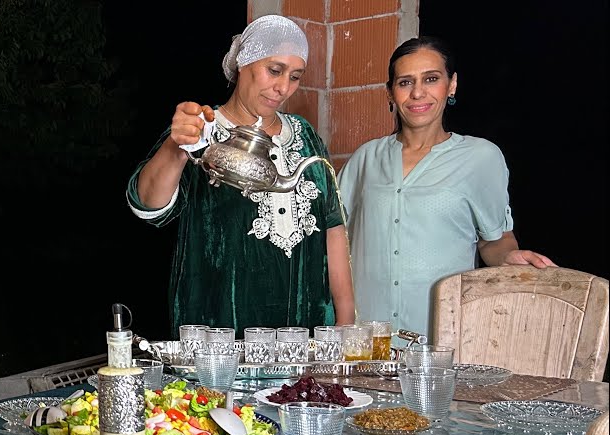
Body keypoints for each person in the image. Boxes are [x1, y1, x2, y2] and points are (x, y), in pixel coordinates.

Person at [126, 14, 355, 335]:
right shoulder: (201, 131)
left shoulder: (306, 136)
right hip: (219, 336)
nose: (283, 87)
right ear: (240, 64)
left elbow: (334, 230)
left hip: (306, 337)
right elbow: (148, 206)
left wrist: (345, 329)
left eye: (295, 76)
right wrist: (175, 147)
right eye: (274, 71)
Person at [338, 36, 556, 335]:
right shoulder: (366, 159)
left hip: (442, 338)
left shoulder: (481, 158)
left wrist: (507, 258)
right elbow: (334, 238)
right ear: (390, 93)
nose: (418, 93)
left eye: (431, 79)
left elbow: (494, 239)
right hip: (367, 339)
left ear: (451, 85)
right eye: (405, 82)